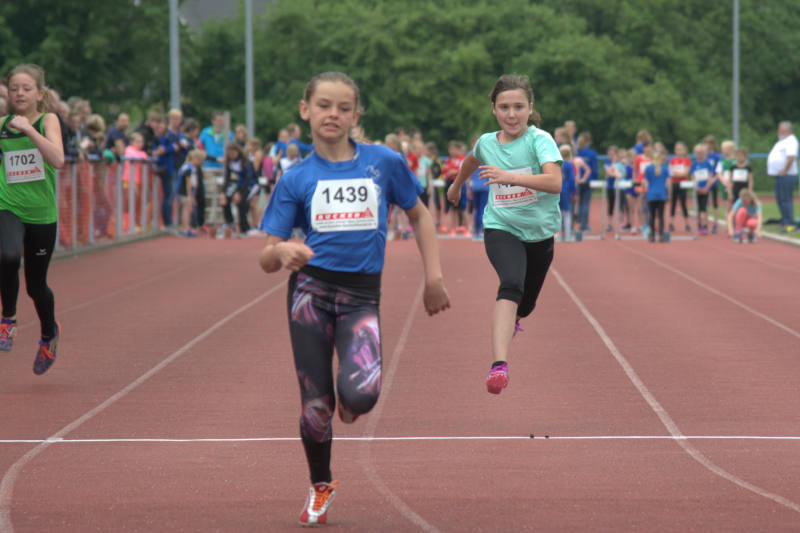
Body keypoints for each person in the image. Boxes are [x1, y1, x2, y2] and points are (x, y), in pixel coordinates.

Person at [258, 71, 450, 527]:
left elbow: (420, 216)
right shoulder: (296, 178)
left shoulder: (383, 162)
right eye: (324, 105)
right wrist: (282, 250)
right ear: (306, 110)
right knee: (315, 406)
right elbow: (266, 255)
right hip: (310, 293)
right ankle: (320, 484)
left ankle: (348, 399)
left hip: (361, 295)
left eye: (343, 108)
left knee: (361, 395)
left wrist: (434, 278)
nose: (333, 114)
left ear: (355, 116)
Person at [446, 74, 562, 395]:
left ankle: (514, 318)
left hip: (539, 233)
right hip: (501, 225)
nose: (512, 114)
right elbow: (471, 160)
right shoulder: (487, 143)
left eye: (519, 107)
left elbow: (555, 183)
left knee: (525, 304)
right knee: (511, 283)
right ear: (494, 110)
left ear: (530, 108)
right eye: (505, 107)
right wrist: (457, 186)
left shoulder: (540, 140)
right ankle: (499, 367)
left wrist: (508, 176)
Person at [0, 63, 64, 374]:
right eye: (14, 89)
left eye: (26, 89)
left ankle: (49, 334)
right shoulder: (2, 124)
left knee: (36, 286)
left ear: (39, 94)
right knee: (8, 256)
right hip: (8, 205)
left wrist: (28, 130)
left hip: (42, 214)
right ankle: (7, 318)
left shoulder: (47, 120)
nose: (20, 93)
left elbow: (58, 159)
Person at [766, 121, 798, 232]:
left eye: (780, 129)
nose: (778, 131)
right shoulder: (782, 141)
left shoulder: (791, 141)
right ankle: (785, 220)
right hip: (780, 174)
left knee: (785, 199)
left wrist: (784, 170)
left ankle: (789, 223)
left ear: (787, 130)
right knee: (780, 198)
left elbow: (791, 158)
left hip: (787, 174)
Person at [221, 142, 257, 236]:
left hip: (250, 185)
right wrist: (223, 193)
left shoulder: (245, 162)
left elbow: (248, 179)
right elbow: (227, 178)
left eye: (233, 153)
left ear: (238, 152)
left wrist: (240, 193)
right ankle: (230, 223)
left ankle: (244, 228)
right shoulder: (229, 162)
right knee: (225, 201)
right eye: (229, 153)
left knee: (241, 202)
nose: (231, 155)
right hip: (238, 185)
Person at [176, 149, 206, 237]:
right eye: (200, 160)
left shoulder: (193, 168)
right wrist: (190, 196)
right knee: (187, 210)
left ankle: (186, 227)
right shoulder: (187, 167)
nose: (201, 163)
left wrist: (193, 196)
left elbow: (194, 183)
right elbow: (188, 183)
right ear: (195, 158)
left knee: (189, 210)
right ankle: (185, 229)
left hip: (189, 192)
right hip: (184, 192)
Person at [690, 143, 716, 235]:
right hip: (697, 189)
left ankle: (705, 226)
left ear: (705, 154)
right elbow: (692, 177)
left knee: (705, 208)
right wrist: (696, 187)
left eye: (702, 153)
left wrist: (706, 188)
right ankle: (699, 225)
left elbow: (710, 176)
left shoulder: (708, 164)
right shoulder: (693, 164)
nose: (700, 155)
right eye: (698, 153)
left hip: (706, 190)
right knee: (698, 209)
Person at [643, 150, 669, 242]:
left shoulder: (649, 169)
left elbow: (645, 183)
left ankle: (652, 235)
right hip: (662, 194)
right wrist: (668, 194)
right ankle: (661, 234)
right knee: (661, 216)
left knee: (652, 216)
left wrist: (643, 193)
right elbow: (668, 183)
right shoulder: (665, 168)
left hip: (651, 195)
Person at [575, 132, 597, 232]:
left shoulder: (576, 152)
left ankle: (579, 223)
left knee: (579, 203)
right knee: (586, 203)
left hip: (578, 180)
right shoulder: (592, 153)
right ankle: (584, 225)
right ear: (589, 141)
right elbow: (594, 169)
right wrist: (595, 181)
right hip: (588, 181)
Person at [668, 141, 692, 232]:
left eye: (680, 149)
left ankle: (687, 224)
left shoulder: (687, 160)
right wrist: (679, 174)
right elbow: (671, 172)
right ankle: (671, 223)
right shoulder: (672, 160)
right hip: (674, 184)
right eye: (677, 149)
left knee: (683, 204)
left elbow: (685, 173)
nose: (679, 151)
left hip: (683, 184)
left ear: (684, 150)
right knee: (673, 204)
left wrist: (676, 173)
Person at [703, 135, 722, 233]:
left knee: (715, 203)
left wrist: (714, 179)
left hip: (714, 182)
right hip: (705, 182)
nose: (707, 145)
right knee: (705, 203)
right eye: (705, 143)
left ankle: (715, 224)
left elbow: (718, 170)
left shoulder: (716, 156)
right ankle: (705, 224)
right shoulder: (704, 156)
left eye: (708, 143)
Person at [558, 144, 576, 241]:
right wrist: (574, 192)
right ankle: (568, 235)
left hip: (557, 190)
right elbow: (572, 179)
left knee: (559, 213)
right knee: (567, 214)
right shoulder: (569, 165)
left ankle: (559, 235)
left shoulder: (557, 164)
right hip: (566, 190)